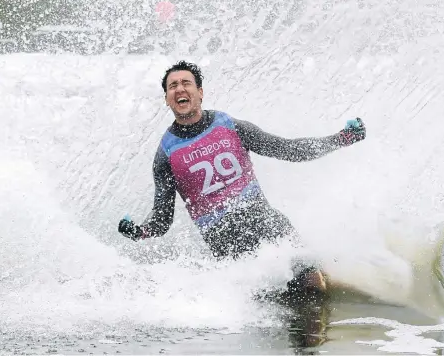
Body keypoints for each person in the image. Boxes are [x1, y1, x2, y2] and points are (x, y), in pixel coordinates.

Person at [118, 60, 366, 295]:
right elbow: (162, 219)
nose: (180, 89)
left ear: (200, 92)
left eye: (186, 83)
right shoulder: (166, 154)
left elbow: (288, 149)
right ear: (166, 99)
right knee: (284, 301)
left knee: (311, 283)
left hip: (265, 221)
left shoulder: (229, 126)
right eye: (173, 86)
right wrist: (139, 231)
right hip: (226, 244)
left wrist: (342, 138)